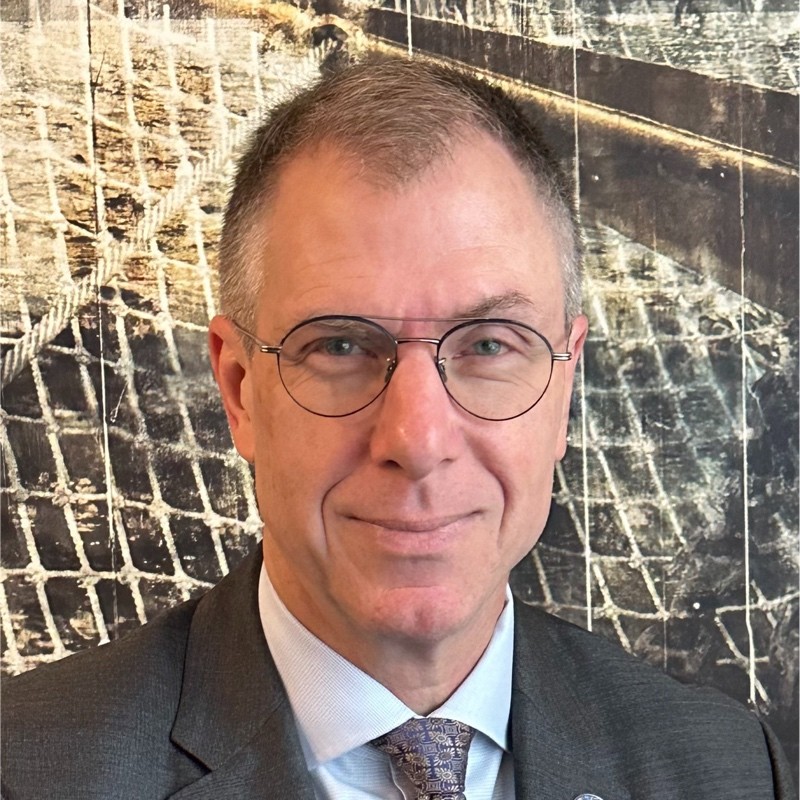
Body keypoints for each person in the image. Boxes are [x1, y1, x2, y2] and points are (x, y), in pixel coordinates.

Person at [1, 56, 793, 800]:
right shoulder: (30, 770)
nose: (416, 441)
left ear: (564, 383)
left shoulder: (728, 772)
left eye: (489, 346)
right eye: (340, 347)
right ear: (240, 390)